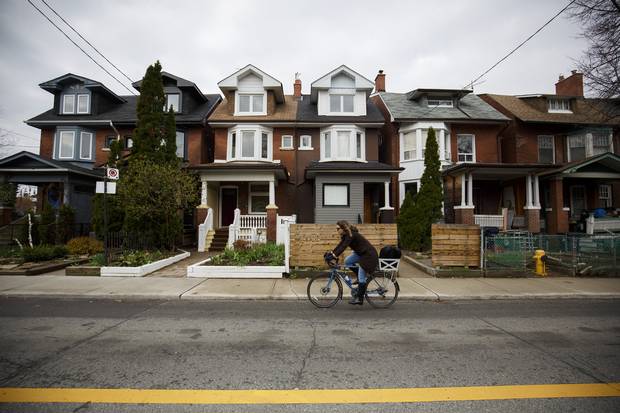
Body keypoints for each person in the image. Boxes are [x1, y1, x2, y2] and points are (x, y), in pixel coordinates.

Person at [329, 220, 378, 305]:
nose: (337, 230)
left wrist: (334, 256)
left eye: (338, 229)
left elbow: (344, 247)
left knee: (362, 277)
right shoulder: (346, 235)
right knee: (347, 261)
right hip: (361, 253)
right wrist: (332, 253)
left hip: (368, 256)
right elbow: (340, 245)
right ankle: (359, 278)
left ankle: (360, 299)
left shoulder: (350, 235)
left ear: (343, 228)